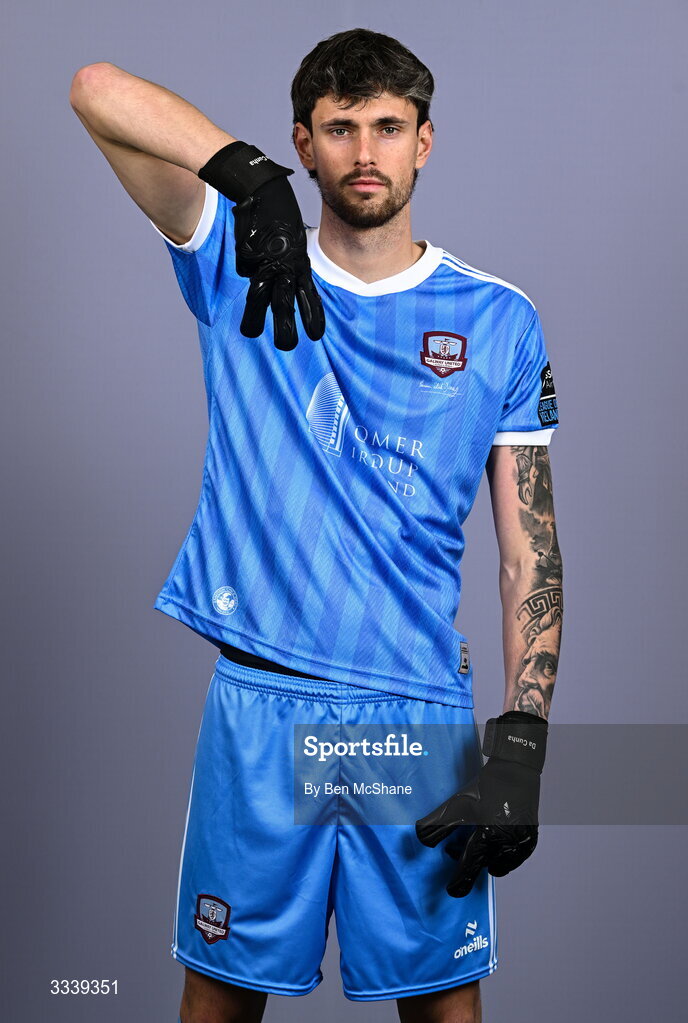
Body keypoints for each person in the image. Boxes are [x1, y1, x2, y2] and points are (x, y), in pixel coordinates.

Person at [70, 26, 562, 1023]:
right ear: (303, 143)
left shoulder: (499, 319)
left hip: (411, 716)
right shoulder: (239, 260)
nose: (366, 152)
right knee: (217, 1002)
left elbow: (529, 558)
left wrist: (523, 742)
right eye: (340, 129)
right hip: (265, 703)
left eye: (389, 126)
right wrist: (242, 177)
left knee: (443, 1009)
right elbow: (95, 89)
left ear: (425, 140)